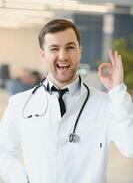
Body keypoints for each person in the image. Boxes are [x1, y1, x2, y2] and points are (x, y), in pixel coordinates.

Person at [0, 18, 133, 183]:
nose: (62, 56)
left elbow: (130, 147)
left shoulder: (106, 104)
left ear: (80, 52)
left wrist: (118, 91)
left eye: (70, 47)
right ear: (43, 54)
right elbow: (3, 151)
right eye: (54, 48)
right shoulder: (20, 103)